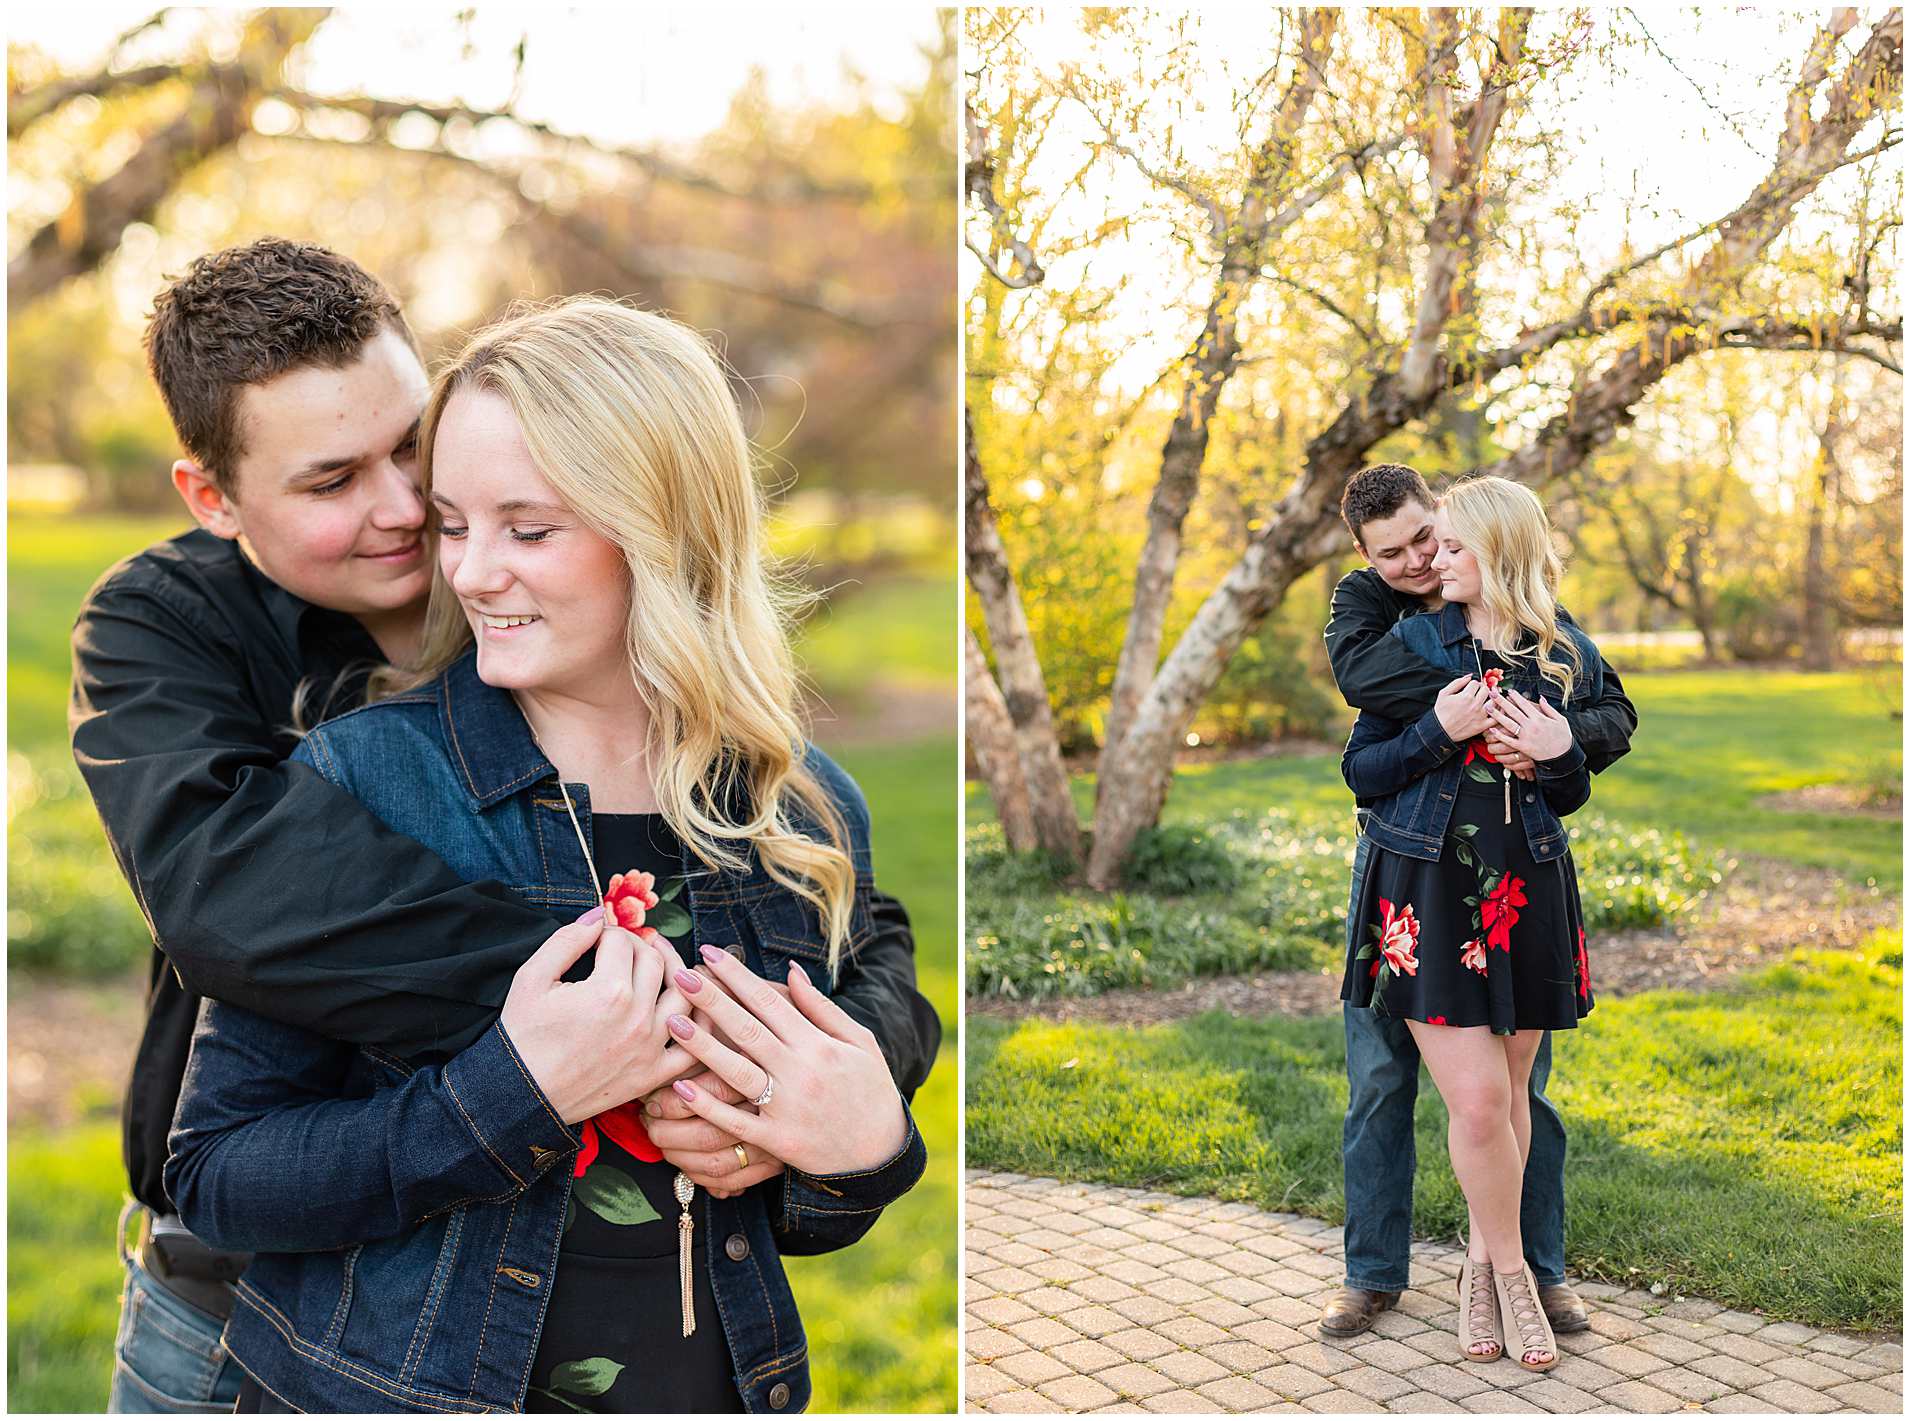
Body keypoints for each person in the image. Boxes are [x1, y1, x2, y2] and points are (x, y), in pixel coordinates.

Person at [72, 240, 939, 1412]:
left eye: (413, 456)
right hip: (260, 1317)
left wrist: (854, 1103)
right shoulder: (180, 644)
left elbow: (845, 928)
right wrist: (617, 1034)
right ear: (214, 499)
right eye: (334, 483)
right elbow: (234, 896)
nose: (411, 528)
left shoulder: (781, 787)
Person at [1318, 463, 1636, 1345]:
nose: (1426, 558)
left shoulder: (1559, 644)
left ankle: (1522, 1269)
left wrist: (1560, 744)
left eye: (1442, 540)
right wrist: (1446, 722)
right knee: (1397, 1084)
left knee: (1515, 1094)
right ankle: (1378, 1275)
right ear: (1370, 556)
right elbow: (1363, 751)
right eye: (1408, 550)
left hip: (1523, 887)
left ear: (1485, 545)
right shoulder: (1394, 633)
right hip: (1417, 877)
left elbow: (1601, 734)